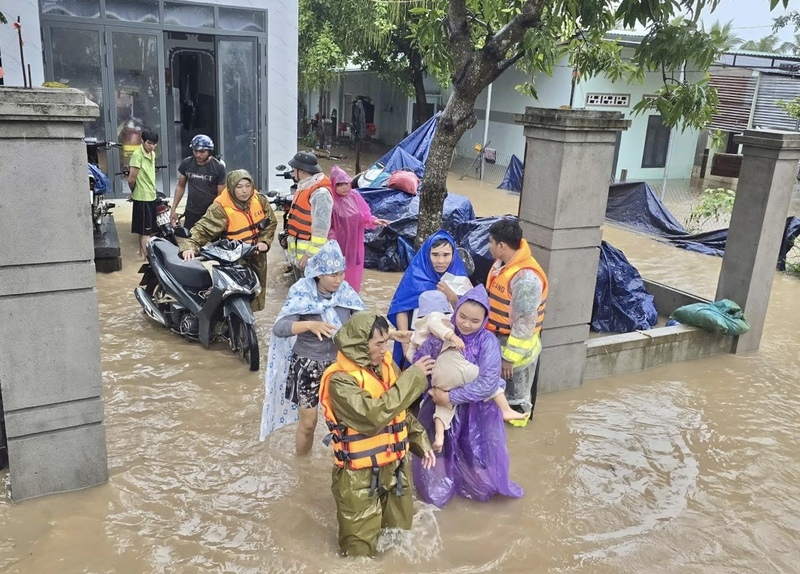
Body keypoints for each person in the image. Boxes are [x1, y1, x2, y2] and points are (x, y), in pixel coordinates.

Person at [318, 311, 437, 557]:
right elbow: (373, 417)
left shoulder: (384, 366)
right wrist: (414, 376)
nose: (385, 349)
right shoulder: (340, 381)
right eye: (379, 344)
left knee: (399, 538)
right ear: (362, 346)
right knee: (359, 550)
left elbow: (399, 411)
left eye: (387, 342)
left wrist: (420, 441)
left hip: (395, 467)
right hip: (358, 477)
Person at [411, 285, 524, 508]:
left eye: (474, 320)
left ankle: (474, 487)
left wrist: (450, 397)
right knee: (437, 454)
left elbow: (488, 383)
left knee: (476, 455)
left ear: (484, 320)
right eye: (462, 316)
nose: (466, 324)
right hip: (437, 404)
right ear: (455, 311)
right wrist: (430, 390)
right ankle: (438, 494)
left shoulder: (488, 343)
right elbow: (421, 365)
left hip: (477, 412)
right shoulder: (440, 335)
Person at [260, 240, 365, 453]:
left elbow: (363, 322)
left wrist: (388, 333)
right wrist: (309, 324)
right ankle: (302, 463)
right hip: (307, 365)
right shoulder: (302, 292)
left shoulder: (345, 293)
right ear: (318, 274)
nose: (339, 280)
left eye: (341, 273)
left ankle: (345, 463)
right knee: (308, 424)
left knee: (344, 420)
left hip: (339, 367)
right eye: (332, 275)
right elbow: (279, 328)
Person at [180, 169, 278, 311]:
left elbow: (271, 223)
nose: (244, 191)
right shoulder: (220, 208)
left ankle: (249, 323)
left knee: (256, 293)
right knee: (232, 293)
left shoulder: (260, 200)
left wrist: (264, 241)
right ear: (231, 187)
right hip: (233, 258)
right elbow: (202, 229)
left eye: (247, 186)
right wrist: (189, 246)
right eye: (239, 187)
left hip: (257, 254)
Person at [485, 218, 547, 426]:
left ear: (501, 245)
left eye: (490, 242)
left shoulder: (526, 278)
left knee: (516, 400)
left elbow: (524, 323)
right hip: (498, 340)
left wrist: (509, 358)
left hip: (515, 351)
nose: (488, 246)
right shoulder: (502, 264)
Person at [387, 230, 472, 369]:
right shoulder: (415, 276)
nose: (440, 261)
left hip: (449, 341)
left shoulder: (459, 278)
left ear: (453, 255)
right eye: (435, 255)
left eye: (446, 255)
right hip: (416, 338)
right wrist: (405, 347)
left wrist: (451, 295)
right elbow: (401, 310)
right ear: (427, 254)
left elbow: (469, 314)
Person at [328, 165, 389, 292]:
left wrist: (374, 220)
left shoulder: (355, 196)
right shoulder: (330, 200)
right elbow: (328, 224)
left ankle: (352, 297)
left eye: (347, 183)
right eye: (340, 184)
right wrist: (332, 242)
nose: (345, 187)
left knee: (353, 272)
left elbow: (364, 215)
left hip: (354, 244)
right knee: (335, 273)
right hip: (336, 244)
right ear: (334, 185)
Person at [285, 152, 333, 280]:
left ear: (301, 171)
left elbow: (321, 230)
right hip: (299, 257)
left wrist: (309, 255)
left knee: (311, 294)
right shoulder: (305, 186)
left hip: (310, 258)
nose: (293, 172)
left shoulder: (320, 193)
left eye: (294, 169)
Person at [171, 134, 226, 230]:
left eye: (202, 151)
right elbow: (180, 186)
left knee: (213, 243)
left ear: (209, 151)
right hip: (191, 211)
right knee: (190, 241)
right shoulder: (186, 163)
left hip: (210, 213)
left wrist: (215, 214)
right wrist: (173, 209)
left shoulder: (218, 167)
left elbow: (221, 195)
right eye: (195, 151)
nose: (198, 154)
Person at [127, 128, 159, 260]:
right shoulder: (137, 155)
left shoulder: (153, 154)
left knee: (145, 230)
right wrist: (134, 192)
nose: (151, 146)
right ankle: (150, 262)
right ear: (142, 141)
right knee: (146, 232)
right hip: (143, 197)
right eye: (149, 143)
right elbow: (131, 179)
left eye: (154, 144)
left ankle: (142, 256)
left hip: (151, 195)